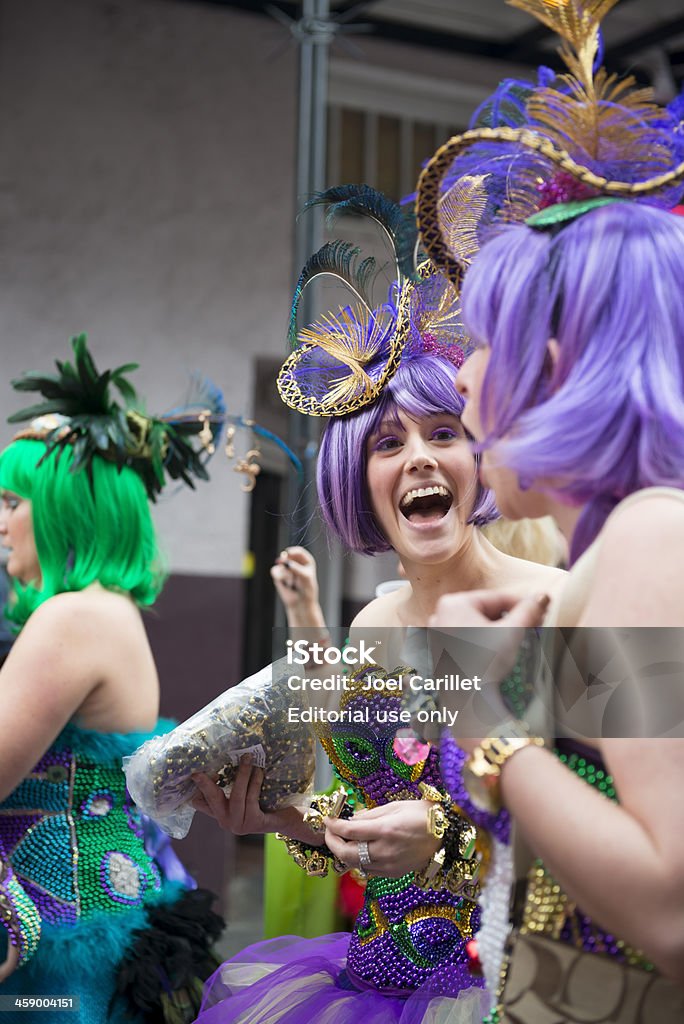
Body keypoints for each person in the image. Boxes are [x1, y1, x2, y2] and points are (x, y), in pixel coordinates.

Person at [191, 188, 566, 1023]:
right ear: (357, 479)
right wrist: (282, 817)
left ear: (481, 456)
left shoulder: (550, 605)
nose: (421, 459)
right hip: (367, 981)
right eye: (389, 443)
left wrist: (451, 842)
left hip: (505, 992)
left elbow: (612, 849)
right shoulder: (374, 627)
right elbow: (365, 816)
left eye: (444, 433)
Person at [414, 0, 684, 1015]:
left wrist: (488, 725)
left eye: (480, 347)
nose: (465, 383)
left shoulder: (654, 536)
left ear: (555, 369)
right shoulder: (630, 542)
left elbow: (672, 908)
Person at [0, 336, 223, 1023]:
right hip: (89, 934)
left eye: (12, 502)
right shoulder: (108, 612)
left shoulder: (73, 618)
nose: (1, 524)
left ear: (63, 507)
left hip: (55, 962)